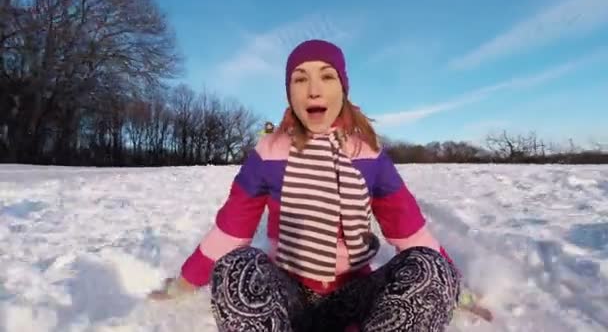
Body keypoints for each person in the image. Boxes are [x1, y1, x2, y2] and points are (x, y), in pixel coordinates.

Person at [149, 39, 481, 331]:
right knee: (235, 266)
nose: (314, 89)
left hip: (355, 295)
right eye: (300, 78)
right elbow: (232, 230)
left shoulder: (370, 154)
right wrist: (185, 281)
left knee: (430, 267)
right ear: (290, 92)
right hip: (287, 294)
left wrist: (454, 287)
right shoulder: (268, 153)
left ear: (342, 88)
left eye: (326, 76)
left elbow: (409, 230)